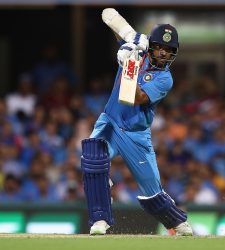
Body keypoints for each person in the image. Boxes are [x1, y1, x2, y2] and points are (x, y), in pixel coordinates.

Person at [80, 8, 193, 236]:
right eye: (159, 47)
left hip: (136, 134)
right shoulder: (139, 48)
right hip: (110, 121)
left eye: (168, 50)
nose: (162, 53)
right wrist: (128, 41)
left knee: (152, 193)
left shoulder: (165, 78)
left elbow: (134, 97)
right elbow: (110, 18)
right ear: (152, 45)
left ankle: (176, 222)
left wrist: (127, 66)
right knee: (92, 158)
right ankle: (100, 220)